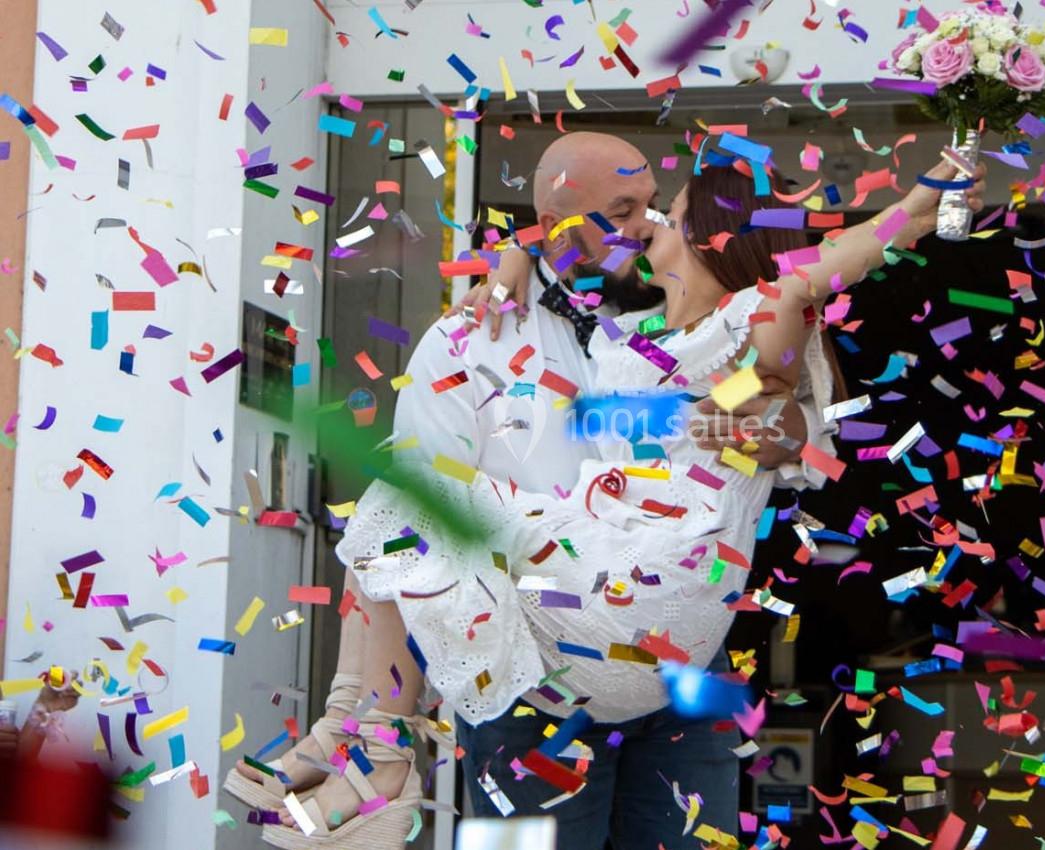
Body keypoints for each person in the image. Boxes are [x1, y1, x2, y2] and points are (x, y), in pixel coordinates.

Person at [226, 133, 836, 848]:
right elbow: (413, 535)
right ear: (557, 223)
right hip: (531, 681)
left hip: (677, 665)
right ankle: (362, 737)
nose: (647, 225)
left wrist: (784, 424)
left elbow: (793, 405)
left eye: (655, 207)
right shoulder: (468, 338)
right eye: (625, 210)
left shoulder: (690, 312)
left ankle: (366, 745)